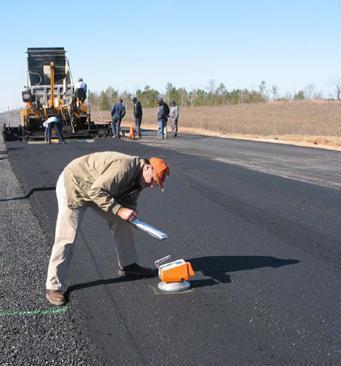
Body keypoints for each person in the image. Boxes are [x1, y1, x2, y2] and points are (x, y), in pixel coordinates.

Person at [45, 152, 170, 306]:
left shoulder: (140, 181)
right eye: (153, 180)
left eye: (156, 184)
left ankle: (128, 265)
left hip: (97, 190)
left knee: (122, 222)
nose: (152, 185)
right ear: (148, 168)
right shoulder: (124, 167)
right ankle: (53, 286)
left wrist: (133, 218)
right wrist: (119, 210)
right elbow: (96, 192)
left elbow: (128, 204)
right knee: (67, 236)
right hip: (74, 185)